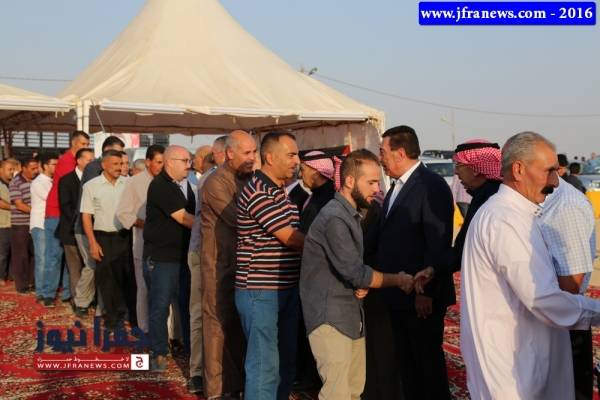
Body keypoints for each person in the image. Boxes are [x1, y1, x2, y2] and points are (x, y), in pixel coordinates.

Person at [461, 131, 600, 400]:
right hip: (515, 373)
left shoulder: (519, 214)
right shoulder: (504, 220)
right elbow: (544, 299)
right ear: (518, 170)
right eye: (549, 171)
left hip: (529, 361)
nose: (555, 182)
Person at [301, 149, 414, 400]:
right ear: (350, 181)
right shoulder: (334, 218)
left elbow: (351, 270)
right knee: (337, 394)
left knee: (353, 391)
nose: (377, 189)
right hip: (331, 319)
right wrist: (398, 279)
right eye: (371, 182)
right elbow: (355, 273)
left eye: (378, 182)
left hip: (349, 316)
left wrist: (363, 284)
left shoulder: (350, 214)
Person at [368, 125, 454, 400]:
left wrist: (425, 292)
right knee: (408, 367)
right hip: (398, 295)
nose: (380, 158)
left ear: (400, 153)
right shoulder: (396, 186)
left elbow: (437, 242)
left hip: (420, 298)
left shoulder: (431, 186)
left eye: (383, 151)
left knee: (427, 367)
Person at [235, 131, 305, 400]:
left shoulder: (280, 191)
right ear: (270, 157)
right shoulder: (258, 191)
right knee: (264, 367)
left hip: (284, 288)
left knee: (284, 365)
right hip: (260, 291)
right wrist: (329, 245)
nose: (296, 161)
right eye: (291, 155)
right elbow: (290, 237)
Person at [200, 130, 256, 398]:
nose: (252, 158)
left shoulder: (251, 179)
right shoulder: (215, 182)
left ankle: (235, 386)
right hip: (218, 265)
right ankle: (216, 391)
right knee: (217, 326)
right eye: (247, 152)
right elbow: (241, 219)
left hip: (244, 264)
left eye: (254, 152)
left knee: (237, 326)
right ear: (230, 153)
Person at [539, 177, 596, 399]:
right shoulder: (546, 201)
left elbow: (571, 284)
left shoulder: (566, 206)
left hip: (565, 318)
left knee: (571, 387)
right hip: (556, 313)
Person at [143, 145, 195, 372]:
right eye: (184, 161)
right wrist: (214, 227)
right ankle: (159, 352)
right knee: (161, 306)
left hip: (181, 256)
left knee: (185, 304)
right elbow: (185, 218)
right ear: (170, 162)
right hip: (163, 258)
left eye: (189, 161)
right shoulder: (160, 185)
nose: (188, 166)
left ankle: (186, 346)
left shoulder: (180, 186)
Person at [80, 150, 133, 331]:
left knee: (126, 278)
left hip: (125, 236)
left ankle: (126, 315)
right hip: (103, 238)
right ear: (104, 165)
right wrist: (93, 243)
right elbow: (86, 216)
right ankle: (112, 320)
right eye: (115, 164)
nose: (120, 167)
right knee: (107, 280)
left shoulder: (128, 183)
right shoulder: (91, 186)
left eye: (121, 164)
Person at [116, 145, 165, 334]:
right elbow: (123, 213)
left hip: (166, 246)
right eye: (159, 162)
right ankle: (145, 329)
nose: (162, 166)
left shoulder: (170, 181)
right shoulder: (134, 182)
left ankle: (165, 331)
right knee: (144, 289)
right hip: (143, 244)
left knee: (165, 291)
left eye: (164, 162)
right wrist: (144, 223)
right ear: (148, 162)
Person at [42, 131, 90, 305]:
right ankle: (48, 293)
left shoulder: (75, 162)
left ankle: (67, 293)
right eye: (83, 144)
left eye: (87, 144)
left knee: (70, 260)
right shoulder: (66, 162)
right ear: (74, 143)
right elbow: (71, 189)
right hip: (57, 212)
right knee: (55, 256)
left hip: (71, 214)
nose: (85, 147)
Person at [187, 143, 220, 394]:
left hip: (216, 254)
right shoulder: (211, 179)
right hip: (203, 252)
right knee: (201, 312)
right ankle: (198, 371)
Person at [450, 140, 502, 272]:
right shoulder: (481, 194)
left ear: (475, 168)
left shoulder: (494, 199)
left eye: (459, 165)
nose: (456, 172)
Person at [57, 148, 94, 317]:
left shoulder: (94, 179)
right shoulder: (66, 180)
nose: (92, 163)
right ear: (79, 161)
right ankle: (77, 301)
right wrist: (81, 220)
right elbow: (65, 206)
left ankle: (86, 298)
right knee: (75, 268)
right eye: (89, 160)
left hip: (88, 230)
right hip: (71, 230)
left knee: (89, 266)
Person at [30, 153, 58, 303]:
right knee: (42, 258)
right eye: (53, 164)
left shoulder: (52, 181)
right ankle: (40, 291)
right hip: (40, 224)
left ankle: (48, 288)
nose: (56, 167)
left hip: (50, 223)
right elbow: (52, 199)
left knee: (51, 258)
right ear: (45, 166)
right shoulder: (39, 182)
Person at [9, 157, 39, 294]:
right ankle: (21, 285)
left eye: (37, 168)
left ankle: (32, 282)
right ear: (23, 168)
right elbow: (19, 205)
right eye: (32, 168)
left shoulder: (38, 181)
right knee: (21, 256)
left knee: (35, 254)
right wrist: (38, 211)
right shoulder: (16, 182)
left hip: (35, 223)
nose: (35, 171)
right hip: (21, 224)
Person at [298, 150, 336, 233]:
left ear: (316, 173)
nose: (300, 175)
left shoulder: (325, 200)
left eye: (302, 170)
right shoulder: (319, 194)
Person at [0, 159, 17, 283]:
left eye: (13, 169)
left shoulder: (14, 184)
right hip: (2, 224)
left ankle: (11, 276)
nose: (12, 172)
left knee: (14, 252)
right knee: (2, 252)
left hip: (15, 223)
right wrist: (18, 207)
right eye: (9, 169)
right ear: (1, 170)